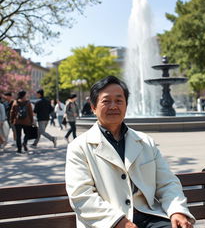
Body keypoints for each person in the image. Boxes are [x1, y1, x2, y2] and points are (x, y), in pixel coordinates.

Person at [65, 76, 195, 228]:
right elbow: (81, 196)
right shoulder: (78, 147)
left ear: (126, 105)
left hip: (150, 217)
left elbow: (167, 183)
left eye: (119, 101)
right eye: (106, 101)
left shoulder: (146, 142)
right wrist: (119, 222)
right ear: (93, 107)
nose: (114, 106)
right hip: (107, 223)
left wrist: (176, 211)